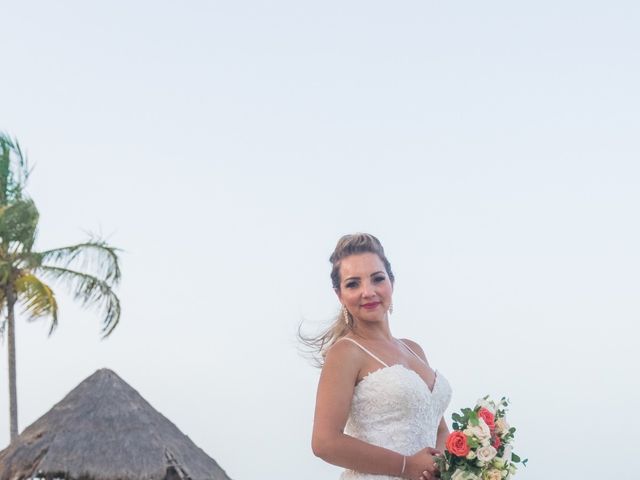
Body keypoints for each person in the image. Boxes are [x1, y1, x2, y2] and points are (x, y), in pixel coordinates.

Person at [304, 233, 452, 480]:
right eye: (353, 284)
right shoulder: (346, 352)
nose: (368, 291)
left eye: (377, 279)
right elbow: (324, 442)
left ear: (391, 282)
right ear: (339, 294)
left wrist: (449, 466)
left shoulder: (414, 349)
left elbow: (440, 429)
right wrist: (407, 466)